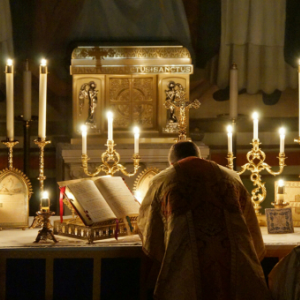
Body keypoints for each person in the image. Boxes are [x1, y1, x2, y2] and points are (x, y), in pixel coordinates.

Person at [138, 141, 272, 300]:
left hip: (186, 274)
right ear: (200, 157)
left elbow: (151, 232)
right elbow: (251, 230)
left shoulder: (162, 180)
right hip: (234, 270)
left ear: (171, 163)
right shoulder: (232, 177)